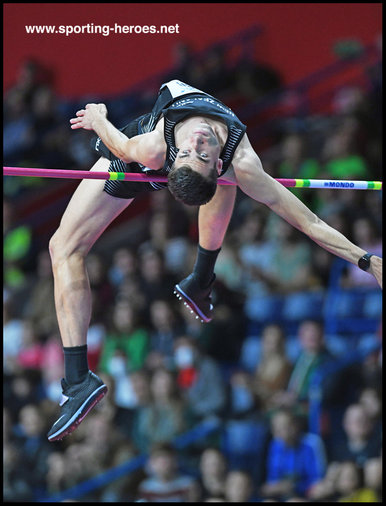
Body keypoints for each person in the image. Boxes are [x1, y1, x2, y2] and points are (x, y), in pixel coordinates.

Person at [47, 78, 382, 442]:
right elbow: (125, 148)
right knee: (63, 248)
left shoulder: (229, 162)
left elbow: (310, 222)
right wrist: (101, 123)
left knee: (64, 246)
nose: (196, 143)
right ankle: (198, 282)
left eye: (202, 154)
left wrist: (366, 260)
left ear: (216, 164)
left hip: (147, 160)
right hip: (134, 158)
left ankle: (81, 376)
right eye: (195, 152)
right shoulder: (168, 150)